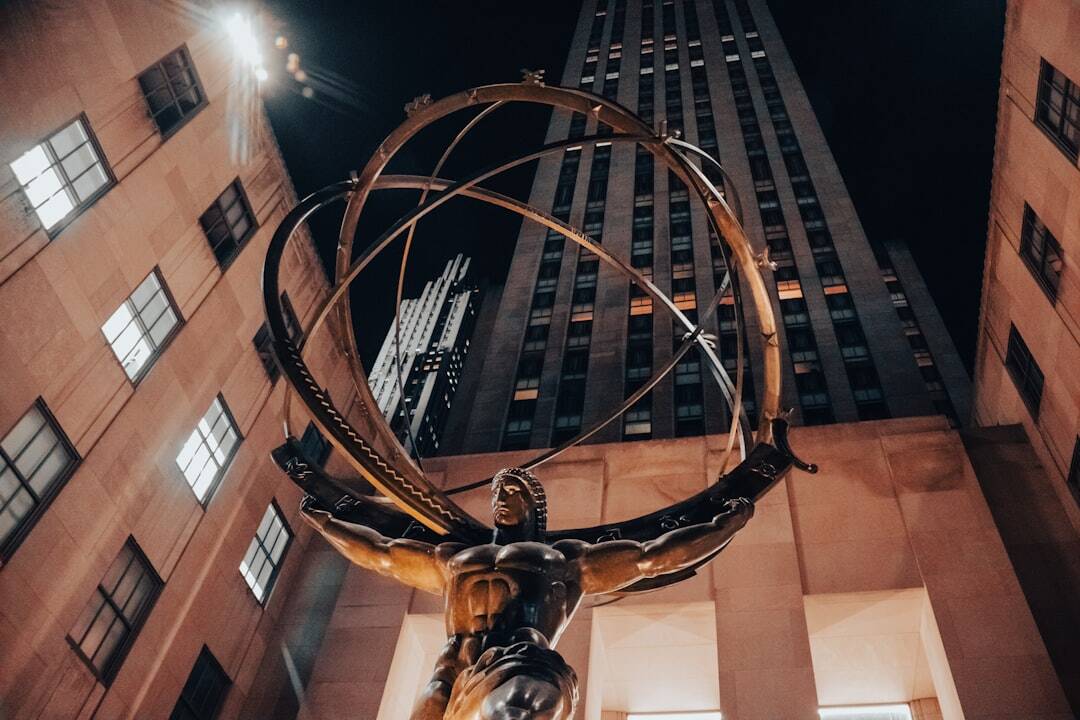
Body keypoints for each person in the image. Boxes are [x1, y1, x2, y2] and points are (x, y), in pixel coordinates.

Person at [301, 467, 753, 720]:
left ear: (534, 503)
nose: (501, 496)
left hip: (525, 668)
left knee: (516, 707)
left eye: (512, 490)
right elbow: (380, 552)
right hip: (454, 668)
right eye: (496, 489)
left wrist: (723, 525)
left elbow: (650, 556)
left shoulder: (565, 560)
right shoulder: (452, 556)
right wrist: (326, 523)